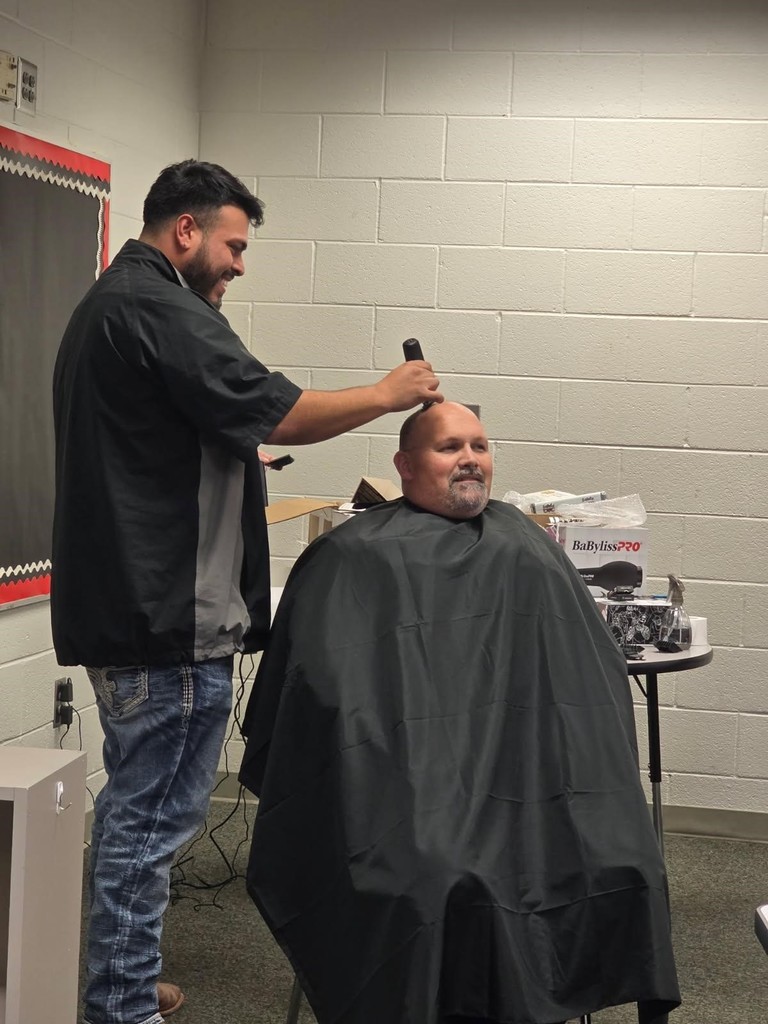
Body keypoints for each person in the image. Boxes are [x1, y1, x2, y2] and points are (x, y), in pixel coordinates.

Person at [51, 158, 442, 1024]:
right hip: (164, 623)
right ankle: (118, 1005)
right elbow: (280, 410)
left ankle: (120, 974)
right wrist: (389, 394)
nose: (237, 264)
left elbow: (169, 435)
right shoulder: (161, 307)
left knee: (138, 813)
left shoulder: (112, 307)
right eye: (231, 245)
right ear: (184, 230)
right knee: (148, 825)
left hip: (130, 613)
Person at [238, 402, 681, 1024]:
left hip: (537, 790)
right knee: (433, 874)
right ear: (405, 464)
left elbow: (588, 687)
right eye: (449, 447)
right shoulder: (354, 556)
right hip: (406, 799)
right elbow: (318, 707)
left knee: (623, 861)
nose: (470, 458)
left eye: (479, 445)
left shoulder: (528, 546)